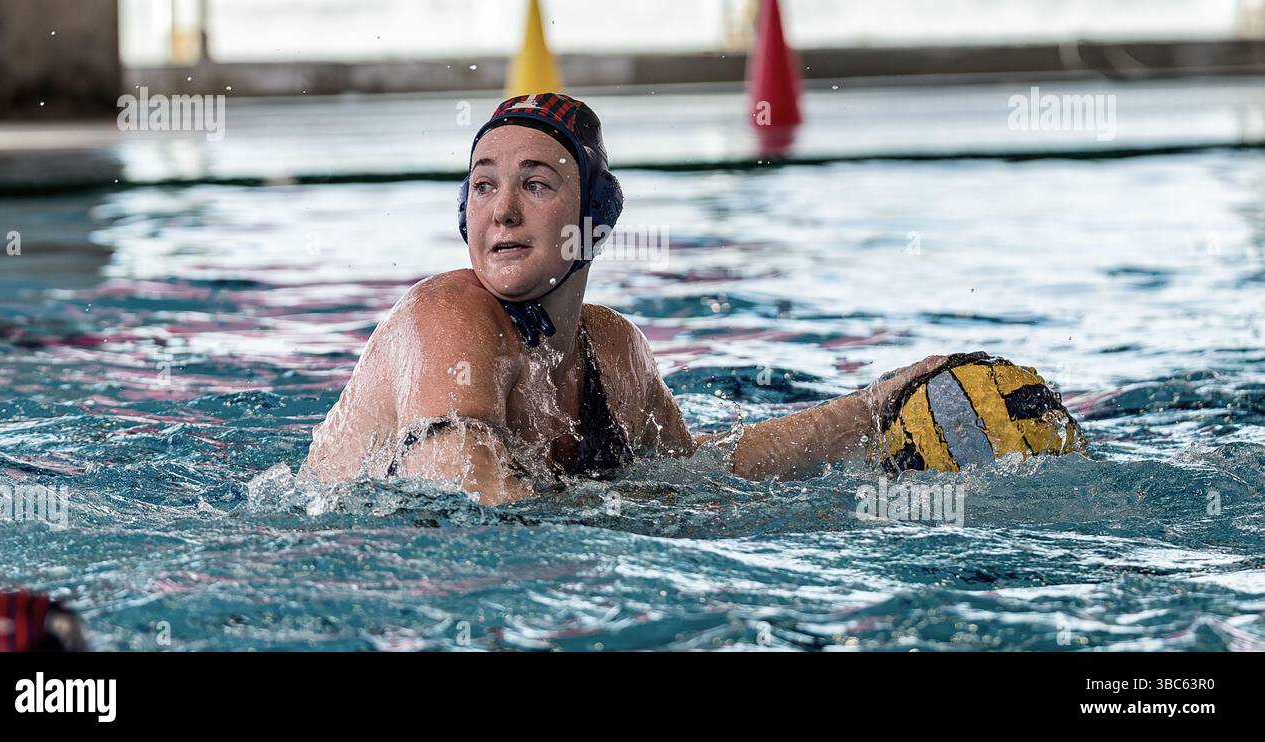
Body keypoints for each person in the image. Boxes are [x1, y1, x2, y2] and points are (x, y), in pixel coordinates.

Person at [300, 93, 946, 504]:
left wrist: (872, 410)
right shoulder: (445, 317)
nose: (502, 212)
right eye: (484, 186)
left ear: (596, 217)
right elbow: (463, 493)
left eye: (536, 185)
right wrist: (643, 518)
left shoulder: (615, 349)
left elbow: (708, 470)